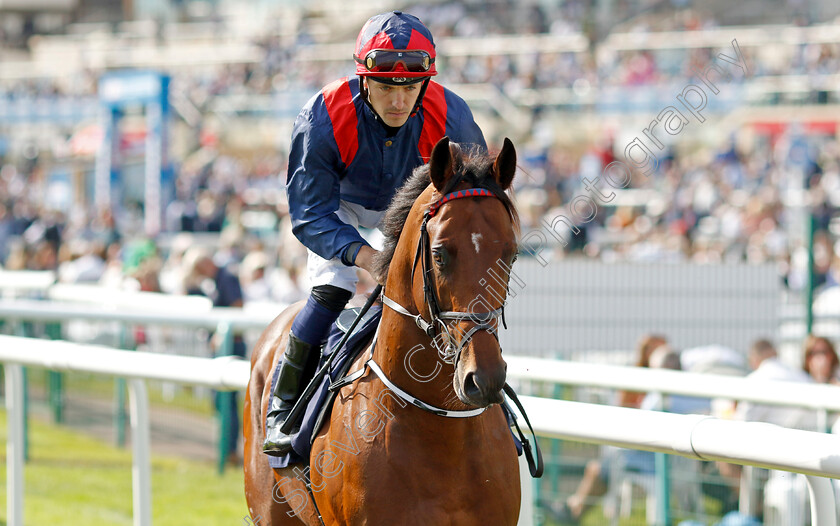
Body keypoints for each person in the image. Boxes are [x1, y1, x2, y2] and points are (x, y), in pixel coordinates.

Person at [262, 10, 487, 456]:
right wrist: (363, 257)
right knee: (333, 285)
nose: (398, 102)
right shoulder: (322, 116)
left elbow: (472, 197)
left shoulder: (454, 117)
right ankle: (283, 406)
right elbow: (309, 212)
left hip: (409, 206)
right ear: (364, 80)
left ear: (426, 81)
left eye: (409, 88)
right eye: (385, 88)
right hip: (341, 206)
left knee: (451, 285)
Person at [183, 248, 246, 463]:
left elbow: (237, 307)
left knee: (226, 401)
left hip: (232, 346)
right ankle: (226, 448)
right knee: (221, 401)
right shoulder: (216, 280)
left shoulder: (226, 278)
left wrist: (221, 333)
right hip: (224, 346)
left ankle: (229, 451)